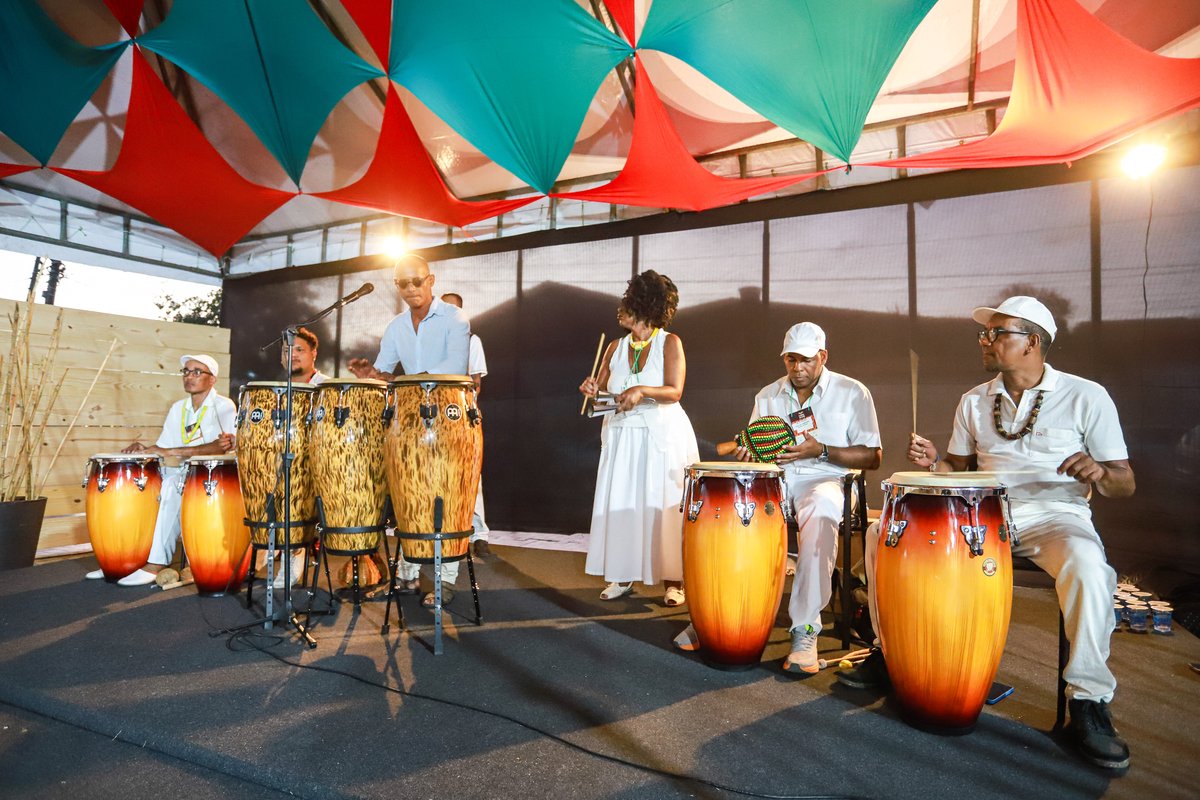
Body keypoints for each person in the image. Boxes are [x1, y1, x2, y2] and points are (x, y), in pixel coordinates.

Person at [838, 296, 1136, 774]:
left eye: (997, 333)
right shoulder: (975, 400)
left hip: (1055, 516)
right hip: (982, 515)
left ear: (1032, 342)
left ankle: (1089, 700)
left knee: (1089, 569)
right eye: (984, 333)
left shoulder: (1087, 396)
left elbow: (1125, 482)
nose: (985, 341)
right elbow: (957, 470)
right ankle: (889, 652)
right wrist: (935, 461)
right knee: (880, 535)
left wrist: (1100, 471)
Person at [674, 322, 882, 672]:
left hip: (829, 481)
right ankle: (717, 616)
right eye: (790, 360)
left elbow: (872, 456)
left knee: (820, 508)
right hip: (778, 482)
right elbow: (759, 449)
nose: (797, 368)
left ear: (823, 356)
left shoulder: (852, 392)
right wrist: (750, 456)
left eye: (805, 360)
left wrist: (822, 450)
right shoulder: (768, 395)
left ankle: (805, 630)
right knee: (736, 509)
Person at [348, 254, 471, 607]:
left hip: (448, 418)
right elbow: (384, 372)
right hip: (407, 421)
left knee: (445, 497)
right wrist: (371, 375)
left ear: (431, 280)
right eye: (403, 283)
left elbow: (452, 368)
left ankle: (446, 580)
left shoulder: (455, 318)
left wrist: (398, 380)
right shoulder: (397, 327)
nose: (411, 288)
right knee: (407, 494)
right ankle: (406, 575)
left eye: (417, 281)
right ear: (397, 286)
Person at [578, 270, 699, 605]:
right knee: (623, 504)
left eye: (628, 304)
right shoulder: (615, 347)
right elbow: (601, 389)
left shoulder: (669, 343)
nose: (620, 310)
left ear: (645, 307)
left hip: (660, 436)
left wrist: (642, 390)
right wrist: (592, 388)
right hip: (622, 437)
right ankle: (622, 575)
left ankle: (674, 581)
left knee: (663, 505)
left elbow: (674, 391)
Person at [86, 355, 236, 586]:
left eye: (197, 372)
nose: (189, 376)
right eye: (186, 371)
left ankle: (156, 563)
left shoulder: (224, 406)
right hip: (182, 471)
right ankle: (123, 561)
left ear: (212, 379)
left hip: (211, 477)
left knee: (170, 486)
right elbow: (163, 448)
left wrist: (170, 451)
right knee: (140, 483)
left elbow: (221, 447)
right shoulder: (178, 408)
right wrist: (145, 450)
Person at [440, 292, 492, 559]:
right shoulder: (428, 342)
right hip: (433, 420)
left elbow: (476, 383)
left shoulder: (472, 340)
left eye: (453, 309)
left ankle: (479, 534)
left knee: (470, 478)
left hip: (460, 416)